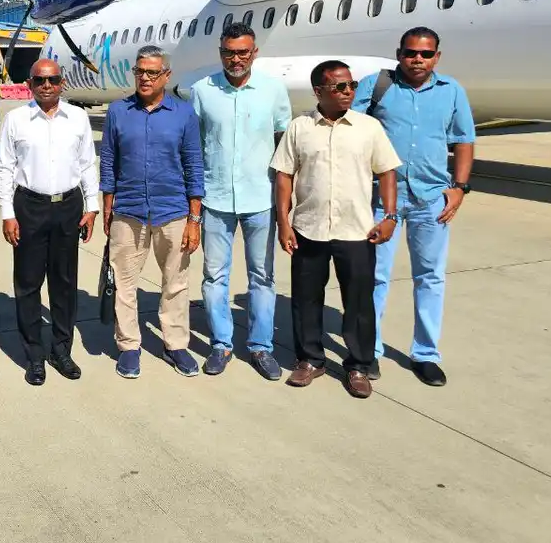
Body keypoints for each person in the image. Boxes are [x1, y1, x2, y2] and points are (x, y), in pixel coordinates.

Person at [352, 27, 476, 387]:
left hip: (431, 199)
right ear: (399, 54)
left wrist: (460, 188)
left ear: (437, 57)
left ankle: (425, 354)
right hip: (382, 198)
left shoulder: (451, 91)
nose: (417, 59)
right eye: (410, 53)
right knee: (375, 276)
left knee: (430, 277)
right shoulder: (378, 86)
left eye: (425, 54)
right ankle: (369, 350)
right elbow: (350, 129)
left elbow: (463, 140)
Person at [271, 60, 402, 399]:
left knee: (358, 302)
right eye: (340, 87)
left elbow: (387, 171)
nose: (349, 92)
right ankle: (310, 360)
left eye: (352, 85)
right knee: (305, 299)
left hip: (356, 231)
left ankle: (358, 366)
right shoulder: (299, 128)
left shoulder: (368, 127)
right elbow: (284, 175)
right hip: (309, 228)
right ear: (319, 91)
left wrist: (390, 216)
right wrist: (284, 222)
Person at [189, 22, 292, 381]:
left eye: (243, 52)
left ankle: (261, 346)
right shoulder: (202, 91)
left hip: (260, 198)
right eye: (229, 52)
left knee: (262, 276)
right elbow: (194, 147)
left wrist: (285, 198)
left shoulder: (273, 90)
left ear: (254, 52)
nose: (236, 59)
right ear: (220, 53)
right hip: (215, 198)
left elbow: (284, 144)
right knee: (214, 275)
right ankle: (221, 344)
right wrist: (194, 200)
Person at [100, 45, 205, 379]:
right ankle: (129, 346)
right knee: (124, 283)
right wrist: (107, 205)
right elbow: (108, 160)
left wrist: (194, 218)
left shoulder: (184, 114)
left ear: (166, 76)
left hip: (172, 211)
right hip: (128, 211)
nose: (144, 78)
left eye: (152, 72)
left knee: (175, 282)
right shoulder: (118, 111)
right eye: (139, 71)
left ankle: (175, 344)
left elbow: (194, 164)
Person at [0, 58, 98, 385]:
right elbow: (4, 167)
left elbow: (87, 164)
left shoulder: (78, 117)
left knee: (64, 282)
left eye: (52, 79)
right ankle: (35, 354)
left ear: (62, 83)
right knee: (28, 284)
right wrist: (8, 214)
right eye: (40, 80)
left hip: (69, 206)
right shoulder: (16, 120)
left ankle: (61, 350)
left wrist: (92, 206)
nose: (47, 86)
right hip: (29, 206)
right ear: (30, 84)